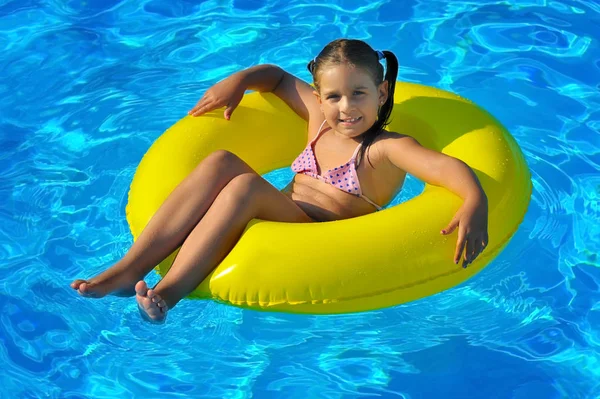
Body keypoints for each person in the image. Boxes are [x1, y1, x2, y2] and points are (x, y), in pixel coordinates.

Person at [71, 39, 489, 324]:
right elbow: (274, 76)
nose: (346, 108)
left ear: (381, 93)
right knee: (220, 160)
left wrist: (474, 200)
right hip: (284, 213)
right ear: (319, 94)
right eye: (334, 97)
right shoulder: (318, 120)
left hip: (319, 235)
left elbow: (448, 168)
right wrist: (237, 81)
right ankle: (129, 269)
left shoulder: (384, 148)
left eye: (359, 94)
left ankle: (167, 294)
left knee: (245, 187)